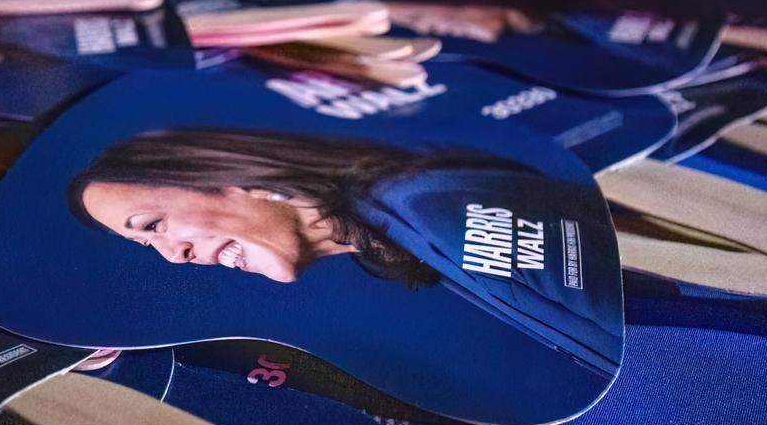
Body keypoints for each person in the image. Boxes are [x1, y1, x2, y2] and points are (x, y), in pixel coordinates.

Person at [68, 128, 621, 368]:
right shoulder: (405, 216)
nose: (171, 256)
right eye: (145, 245)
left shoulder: (423, 206)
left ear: (226, 176)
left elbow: (637, 324)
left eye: (154, 224)